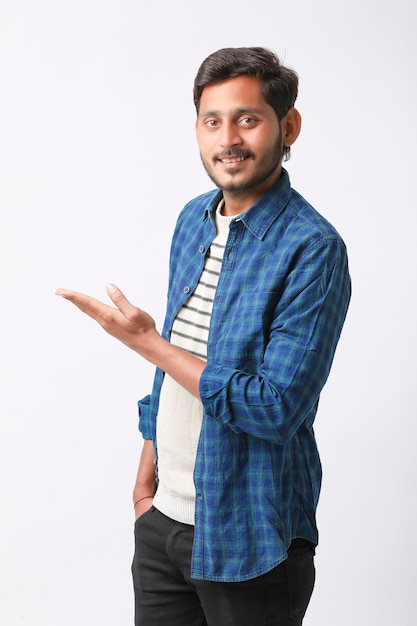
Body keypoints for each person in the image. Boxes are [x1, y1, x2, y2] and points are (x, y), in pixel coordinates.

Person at [56, 46, 351, 626]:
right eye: (212, 121)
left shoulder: (313, 249)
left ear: (287, 126)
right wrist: (147, 478)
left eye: (248, 119)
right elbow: (177, 355)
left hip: (250, 538)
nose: (228, 139)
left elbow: (275, 407)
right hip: (163, 520)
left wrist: (147, 343)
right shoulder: (194, 217)